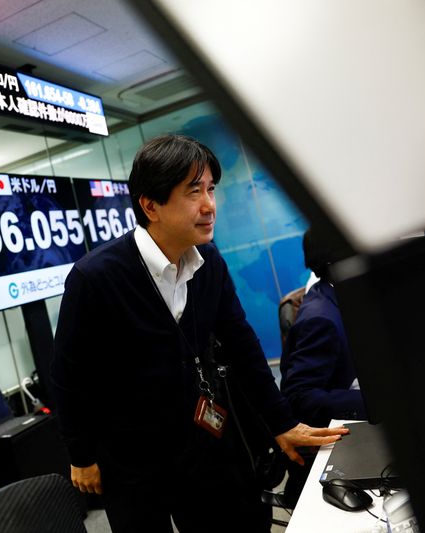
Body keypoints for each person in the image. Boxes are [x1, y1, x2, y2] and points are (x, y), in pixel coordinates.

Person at [50, 135, 348, 533]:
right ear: (150, 205)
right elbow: (68, 377)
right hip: (132, 455)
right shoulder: (96, 277)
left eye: (210, 189)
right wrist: (81, 455)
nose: (209, 205)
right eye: (193, 192)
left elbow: (242, 345)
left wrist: (281, 423)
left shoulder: (208, 260)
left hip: (203, 437)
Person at [279, 226, 367, 505]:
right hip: (323, 449)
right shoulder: (321, 318)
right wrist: (373, 401)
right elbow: (300, 396)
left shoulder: (337, 298)